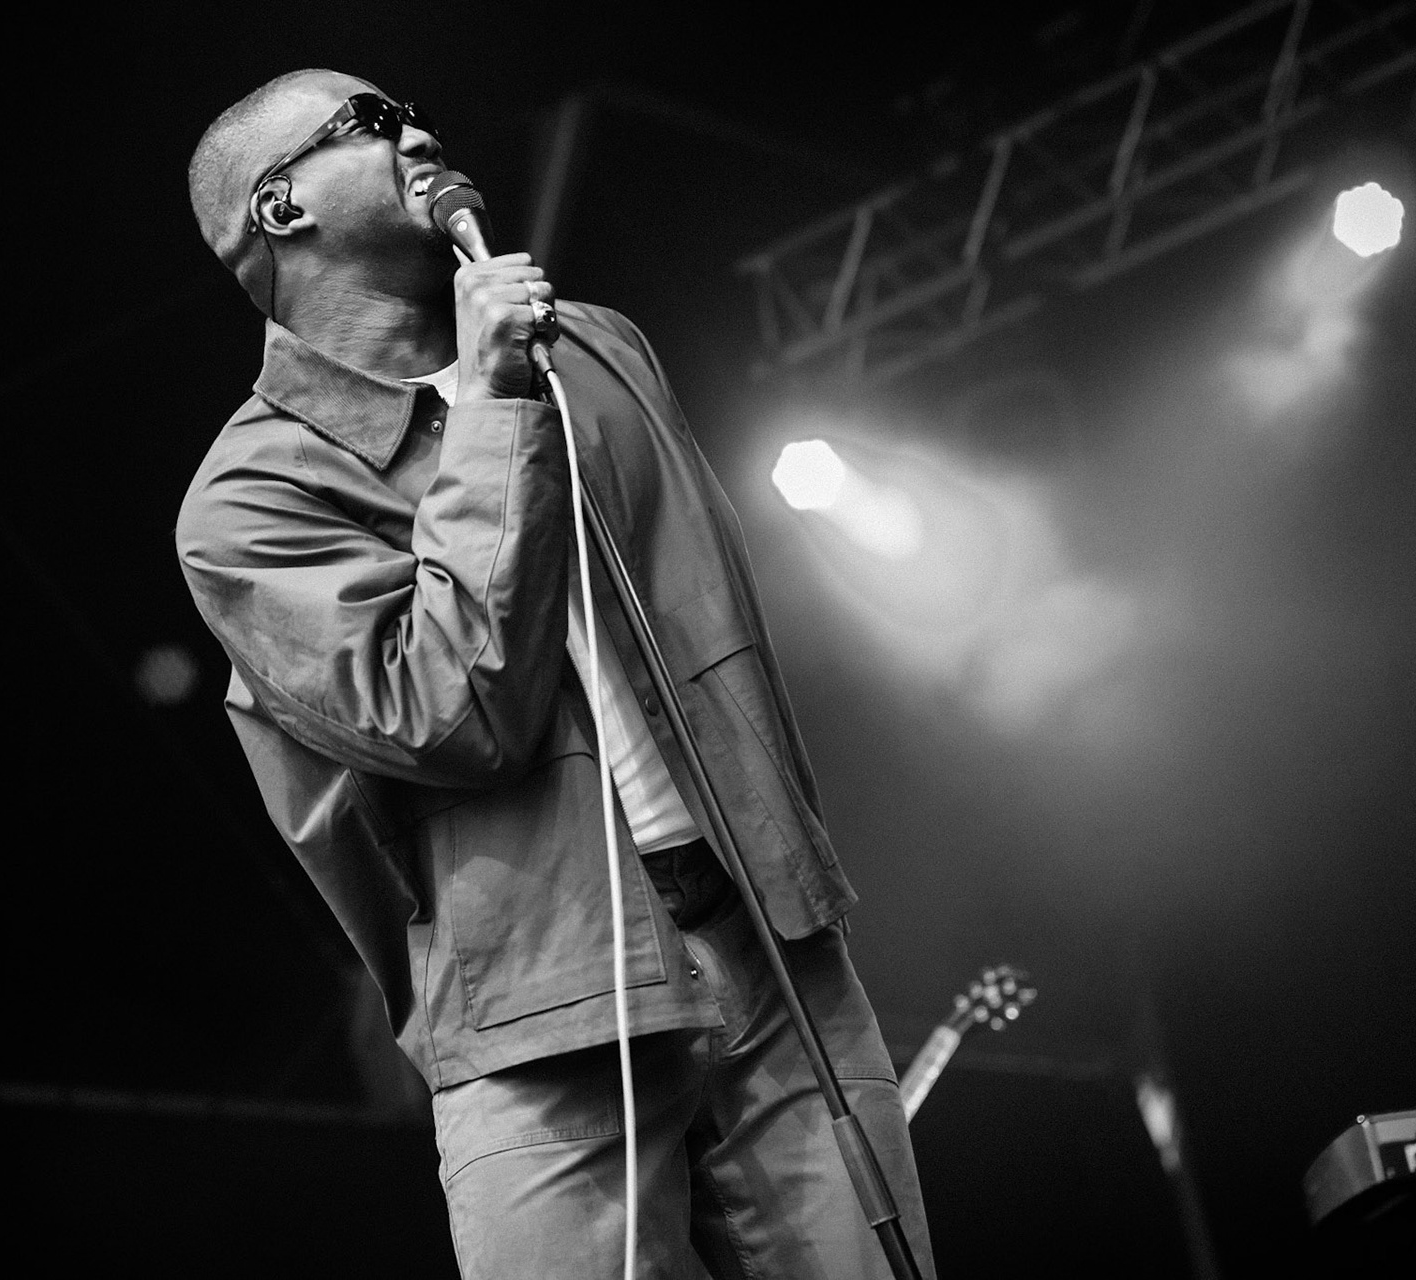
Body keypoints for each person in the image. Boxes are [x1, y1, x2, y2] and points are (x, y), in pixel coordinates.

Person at [176, 67, 937, 1280]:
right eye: (372, 124)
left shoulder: (596, 348)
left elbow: (711, 620)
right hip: (545, 1002)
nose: (422, 131)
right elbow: (447, 709)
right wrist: (488, 405)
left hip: (766, 938)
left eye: (412, 106)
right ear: (280, 211)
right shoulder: (250, 499)